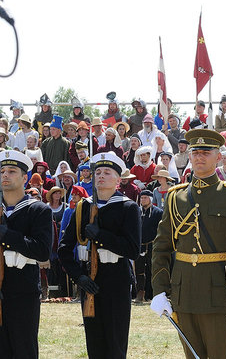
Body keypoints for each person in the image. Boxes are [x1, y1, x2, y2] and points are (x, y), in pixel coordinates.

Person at [151, 129, 226, 359]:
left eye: (206, 152)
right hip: (183, 292)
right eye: (195, 151)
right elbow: (161, 247)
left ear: (218, 156)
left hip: (217, 293)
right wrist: (159, 290)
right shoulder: (175, 196)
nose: (199, 156)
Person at [58, 151, 141, 359]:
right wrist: (79, 277)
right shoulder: (82, 207)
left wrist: (101, 236)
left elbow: (132, 249)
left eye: (107, 172)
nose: (101, 176)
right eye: (97, 172)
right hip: (89, 281)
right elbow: (64, 249)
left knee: (115, 344)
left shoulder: (128, 207)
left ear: (118, 180)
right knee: (94, 345)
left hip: (116, 280)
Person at [0, 150, 53, 358]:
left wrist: (8, 235)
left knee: (23, 348)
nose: (5, 175)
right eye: (2, 170)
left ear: (24, 178)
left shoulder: (38, 210)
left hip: (23, 289)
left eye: (12, 171)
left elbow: (42, 250)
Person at [136, 190, 163, 302]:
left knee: (152, 270)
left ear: (151, 199)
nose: (143, 200)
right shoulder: (137, 212)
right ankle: (140, 294)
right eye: (141, 198)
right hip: (139, 246)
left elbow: (161, 230)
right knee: (139, 270)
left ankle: (152, 295)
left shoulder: (158, 212)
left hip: (152, 245)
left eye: (145, 198)